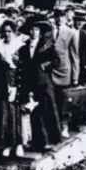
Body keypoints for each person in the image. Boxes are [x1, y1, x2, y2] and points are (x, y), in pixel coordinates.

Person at [18, 18, 62, 150]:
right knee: (34, 110)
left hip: (43, 81)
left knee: (47, 108)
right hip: (29, 81)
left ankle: (51, 140)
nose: (34, 32)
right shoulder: (24, 48)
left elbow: (56, 60)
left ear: (40, 31)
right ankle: (38, 141)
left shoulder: (46, 45)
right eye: (31, 30)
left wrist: (45, 65)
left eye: (36, 29)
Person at [0, 20, 26, 157]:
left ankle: (18, 144)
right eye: (5, 31)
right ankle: (7, 144)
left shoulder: (19, 46)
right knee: (4, 113)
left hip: (15, 80)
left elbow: (23, 67)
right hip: (2, 80)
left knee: (16, 113)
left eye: (10, 31)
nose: (7, 34)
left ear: (14, 32)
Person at [51, 7, 79, 138]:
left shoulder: (71, 32)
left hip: (64, 71)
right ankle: (54, 127)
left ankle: (65, 126)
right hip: (51, 70)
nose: (59, 19)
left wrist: (75, 76)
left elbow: (75, 56)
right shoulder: (49, 31)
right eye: (57, 16)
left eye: (61, 16)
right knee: (52, 100)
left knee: (64, 101)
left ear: (65, 17)